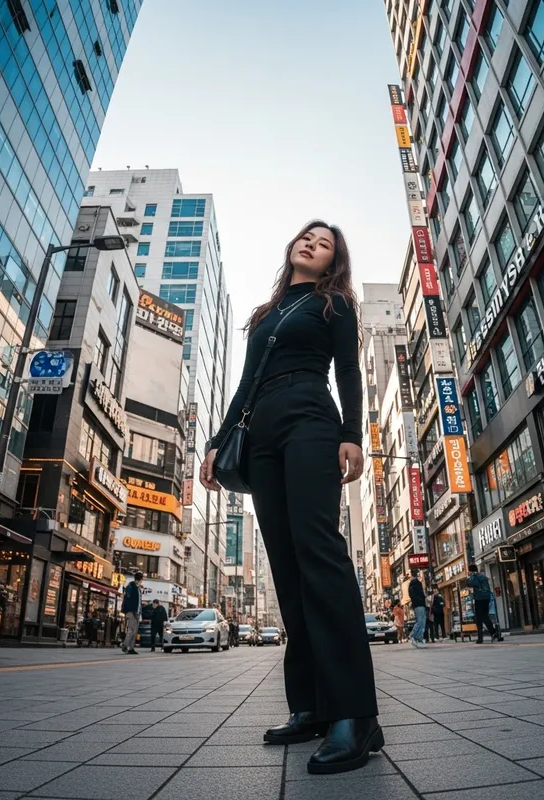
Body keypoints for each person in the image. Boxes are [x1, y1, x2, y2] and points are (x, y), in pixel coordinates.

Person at [200, 221, 381, 775]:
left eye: (324, 244)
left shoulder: (334, 305)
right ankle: (309, 705)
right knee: (286, 569)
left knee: (319, 553)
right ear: (293, 247)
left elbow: (348, 370)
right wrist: (215, 441)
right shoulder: (266, 312)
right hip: (261, 440)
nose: (311, 244)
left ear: (332, 264)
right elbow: (244, 383)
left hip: (310, 422)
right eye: (307, 237)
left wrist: (352, 434)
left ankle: (355, 716)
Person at [467, 564, 502, 643]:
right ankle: (493, 632)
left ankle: (480, 638)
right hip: (487, 598)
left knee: (479, 619)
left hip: (479, 598)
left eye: (469, 571)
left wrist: (471, 576)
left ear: (471, 571)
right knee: (485, 616)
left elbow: (469, 583)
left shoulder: (475, 577)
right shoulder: (483, 576)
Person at [121, 572, 143, 654]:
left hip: (137, 612)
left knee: (135, 631)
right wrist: (131, 610)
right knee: (131, 629)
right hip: (131, 611)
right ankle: (125, 645)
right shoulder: (131, 586)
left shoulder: (138, 588)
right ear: (139, 579)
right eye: (141, 579)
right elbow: (128, 599)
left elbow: (139, 602)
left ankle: (131, 648)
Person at [408, 569, 427, 648]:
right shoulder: (416, 583)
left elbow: (412, 595)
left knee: (422, 621)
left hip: (417, 604)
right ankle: (413, 636)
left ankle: (418, 638)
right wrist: (422, 598)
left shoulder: (411, 584)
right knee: (421, 621)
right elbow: (420, 594)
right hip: (419, 604)